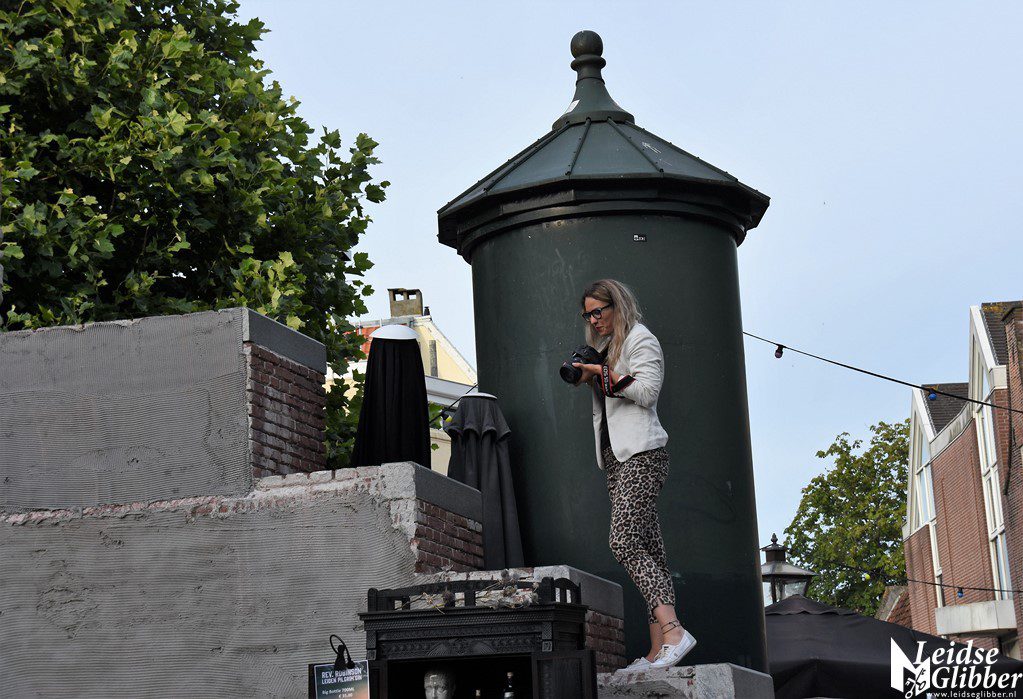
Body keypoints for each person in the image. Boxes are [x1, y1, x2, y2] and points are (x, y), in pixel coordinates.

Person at [571, 279, 697, 671]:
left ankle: (674, 631)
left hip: (643, 454)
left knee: (623, 540)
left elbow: (647, 392)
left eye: (599, 311)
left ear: (617, 306)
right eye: (588, 316)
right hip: (616, 459)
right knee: (651, 551)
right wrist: (591, 373)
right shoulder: (606, 348)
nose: (594, 320)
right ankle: (658, 650)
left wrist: (603, 373)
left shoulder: (640, 339)